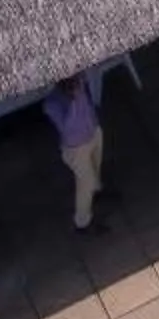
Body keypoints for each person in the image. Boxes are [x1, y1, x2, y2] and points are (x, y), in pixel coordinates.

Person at [44, 72, 106, 233]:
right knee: (85, 183)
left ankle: (97, 192)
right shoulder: (52, 104)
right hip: (76, 148)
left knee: (96, 165)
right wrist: (73, 100)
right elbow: (67, 128)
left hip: (93, 133)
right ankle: (82, 222)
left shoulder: (81, 81)